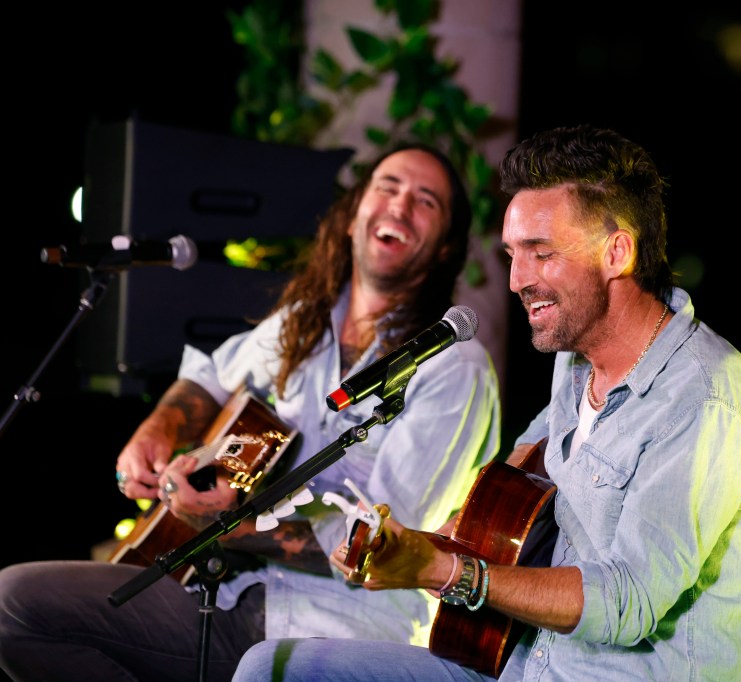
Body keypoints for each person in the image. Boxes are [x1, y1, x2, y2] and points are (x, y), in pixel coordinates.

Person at [230, 124, 741, 682]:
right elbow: (507, 500)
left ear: (617, 252)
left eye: (541, 254)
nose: (517, 280)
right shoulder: (575, 360)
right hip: (522, 666)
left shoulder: (705, 398)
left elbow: (626, 601)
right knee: (270, 668)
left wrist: (449, 571)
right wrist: (406, 548)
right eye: (513, 254)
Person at [0, 143, 502, 682]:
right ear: (353, 215)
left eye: (425, 201)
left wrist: (224, 526)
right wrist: (161, 427)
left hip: (325, 623)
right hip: (222, 586)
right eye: (387, 187)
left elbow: (381, 548)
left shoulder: (454, 367)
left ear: (447, 246)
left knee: (15, 606)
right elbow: (213, 376)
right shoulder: (303, 326)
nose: (400, 206)